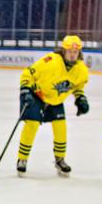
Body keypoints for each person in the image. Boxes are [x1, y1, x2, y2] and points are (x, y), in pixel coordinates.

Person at [16, 34, 89, 177]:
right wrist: (25, 90)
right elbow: (28, 73)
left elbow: (77, 86)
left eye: (76, 52)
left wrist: (80, 98)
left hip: (55, 100)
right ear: (63, 50)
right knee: (32, 125)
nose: (73, 55)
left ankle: (60, 159)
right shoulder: (50, 61)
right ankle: (22, 159)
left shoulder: (81, 69)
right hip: (36, 95)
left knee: (61, 126)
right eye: (70, 51)